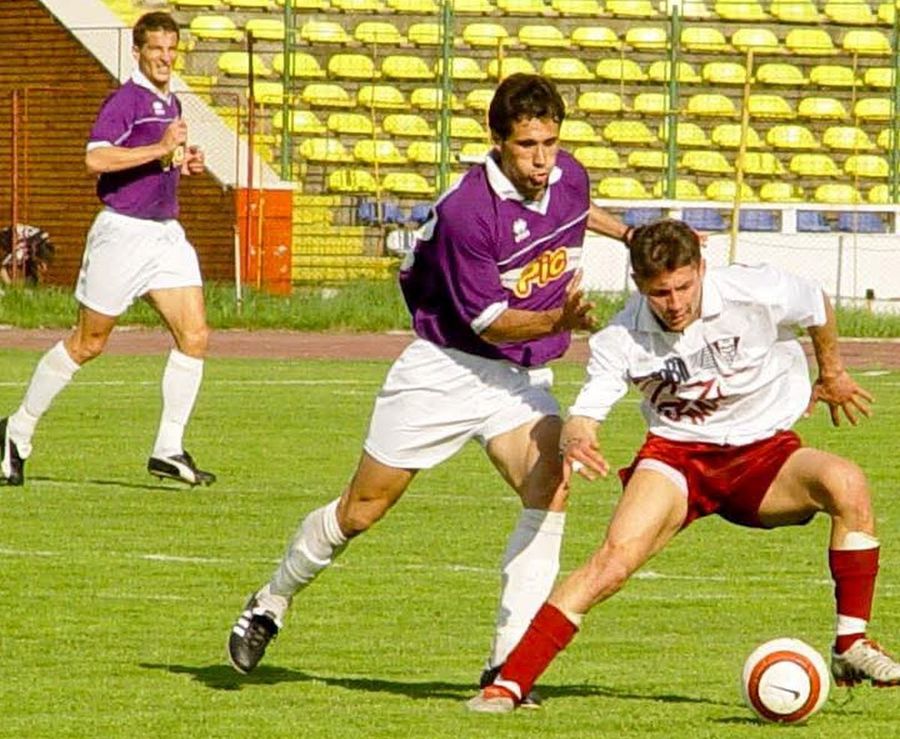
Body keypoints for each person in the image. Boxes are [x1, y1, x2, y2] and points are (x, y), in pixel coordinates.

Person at [226, 74, 634, 698]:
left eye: (551, 142)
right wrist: (561, 320)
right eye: (528, 146)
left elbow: (575, 205)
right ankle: (272, 599)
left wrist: (630, 235)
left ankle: (506, 666)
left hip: (518, 380)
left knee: (550, 486)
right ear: (497, 142)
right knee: (361, 511)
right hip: (446, 368)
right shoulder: (468, 211)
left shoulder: (567, 175)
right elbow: (493, 324)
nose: (544, 159)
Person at [468, 218, 900, 713]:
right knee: (613, 560)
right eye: (660, 292)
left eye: (683, 287)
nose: (674, 304)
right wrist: (578, 434)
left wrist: (833, 372)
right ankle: (509, 683)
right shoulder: (620, 336)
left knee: (846, 481)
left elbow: (816, 303)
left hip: (765, 454)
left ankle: (851, 646)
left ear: (701, 268)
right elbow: (587, 411)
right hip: (678, 458)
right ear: (638, 286)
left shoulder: (750, 289)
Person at [0, 11, 214, 487]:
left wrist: (182, 160)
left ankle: (168, 448)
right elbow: (95, 158)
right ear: (137, 52)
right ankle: (16, 432)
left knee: (195, 336)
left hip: (165, 235)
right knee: (89, 343)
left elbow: (159, 157)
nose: (165, 58)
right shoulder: (125, 100)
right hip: (122, 234)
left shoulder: (170, 100)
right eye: (156, 49)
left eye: (171, 49)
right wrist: (158, 151)